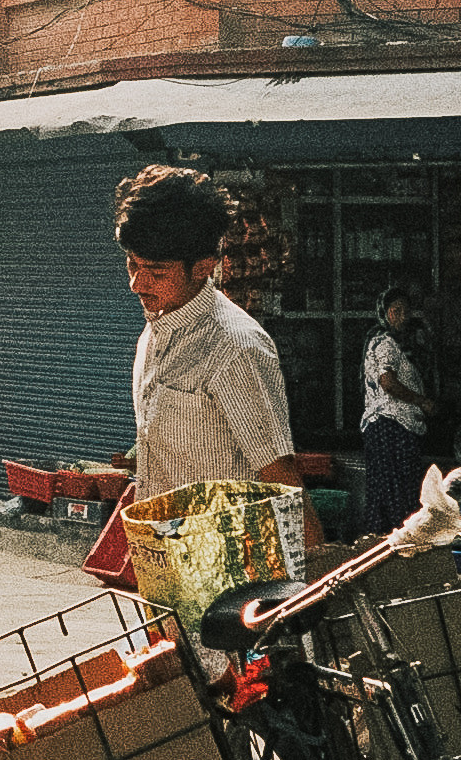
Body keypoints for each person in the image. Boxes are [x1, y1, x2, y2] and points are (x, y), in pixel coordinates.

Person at [112, 164, 319, 538]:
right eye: (132, 264)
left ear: (204, 267)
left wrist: (315, 564)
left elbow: (281, 479)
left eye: (156, 272)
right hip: (167, 553)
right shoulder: (154, 330)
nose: (136, 283)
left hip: (230, 561)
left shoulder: (235, 348)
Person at [361, 283, 434, 531]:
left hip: (392, 427)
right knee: (397, 492)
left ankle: (383, 539)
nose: (403, 317)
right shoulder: (385, 344)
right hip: (390, 426)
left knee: (387, 491)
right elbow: (388, 382)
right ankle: (397, 539)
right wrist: (422, 401)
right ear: (384, 313)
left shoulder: (396, 344)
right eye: (396, 311)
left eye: (406, 311)